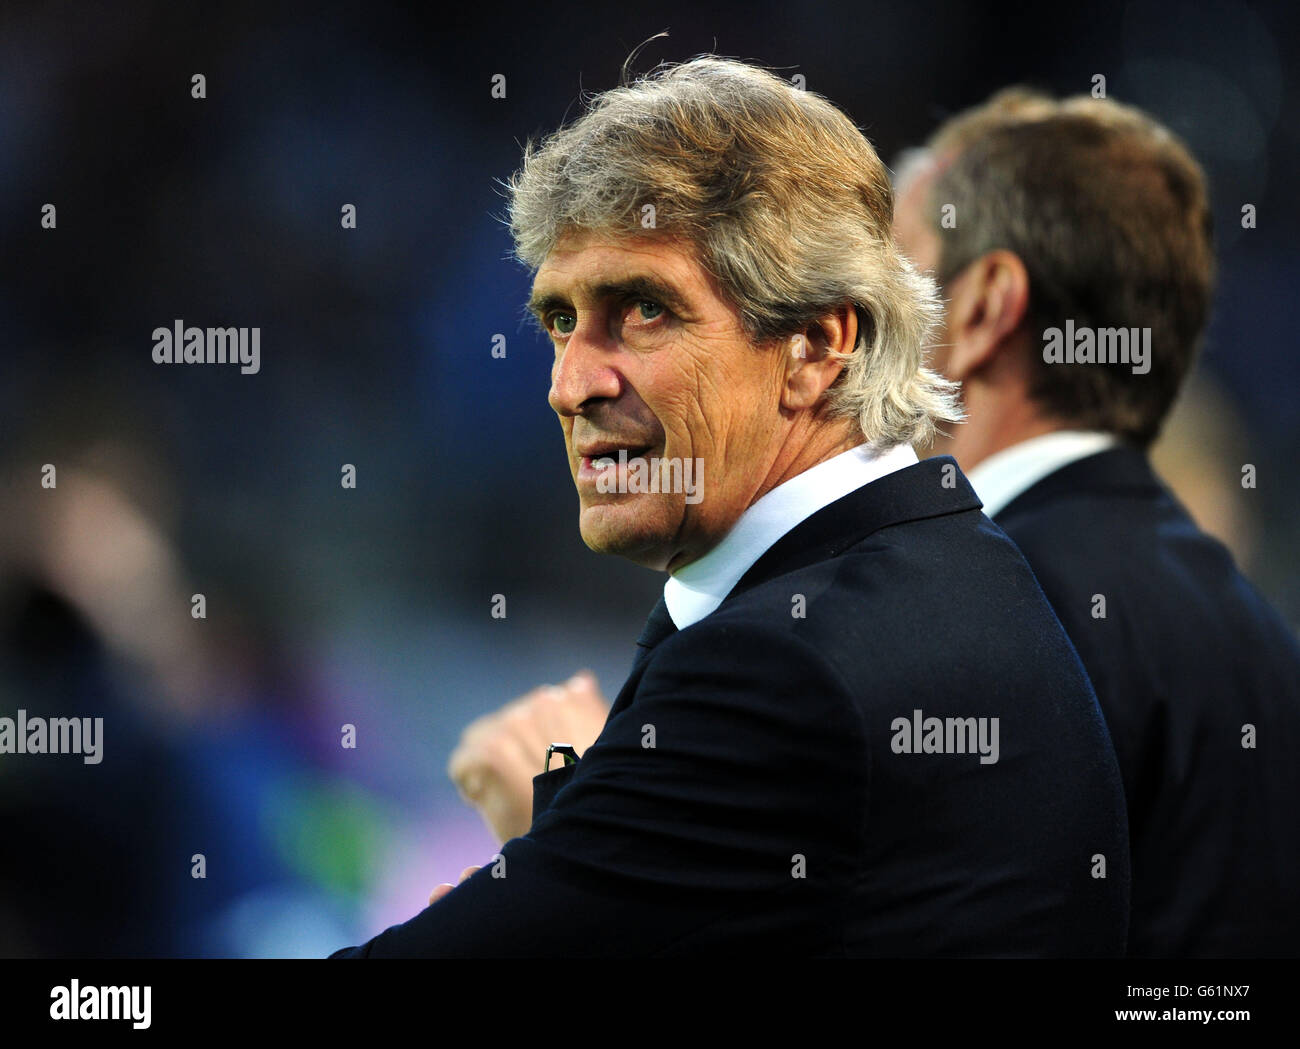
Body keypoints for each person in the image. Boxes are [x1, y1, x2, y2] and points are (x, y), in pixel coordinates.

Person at [332, 58, 1128, 958]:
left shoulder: (787, 665)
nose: (570, 385)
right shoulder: (927, 575)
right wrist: (564, 854)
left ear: (820, 345)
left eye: (642, 309)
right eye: (560, 318)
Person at [888, 89, 1300, 957]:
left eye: (892, 275)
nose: (851, 333)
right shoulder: (1260, 636)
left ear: (980, 309)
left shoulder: (961, 610)